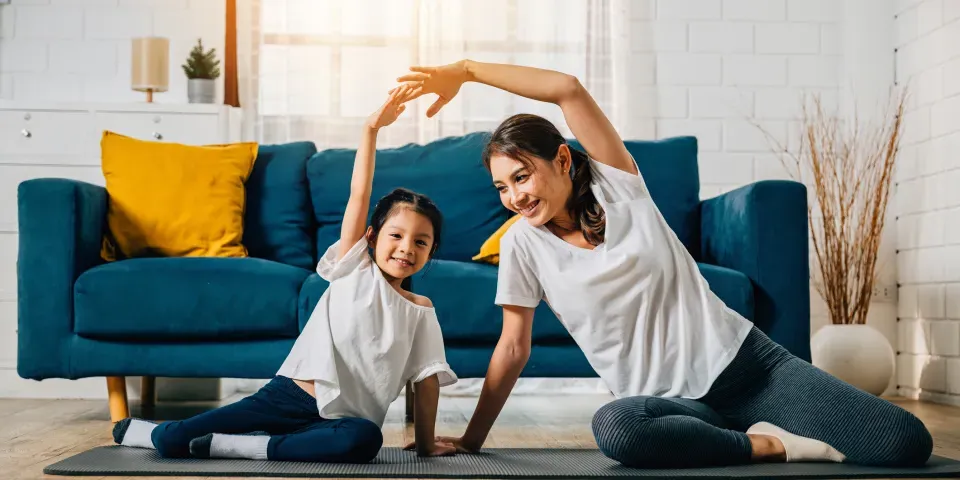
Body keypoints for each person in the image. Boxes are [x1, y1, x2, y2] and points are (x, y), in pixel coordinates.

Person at [393, 60, 934, 468]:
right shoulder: (522, 247)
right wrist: (471, 440)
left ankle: (746, 429)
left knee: (906, 443)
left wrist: (463, 70)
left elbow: (567, 89)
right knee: (618, 429)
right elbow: (513, 347)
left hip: (750, 368)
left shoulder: (617, 184)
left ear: (561, 159)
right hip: (669, 405)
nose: (513, 196)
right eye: (502, 186)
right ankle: (767, 444)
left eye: (522, 176)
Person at [111, 84, 459, 463]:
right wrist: (370, 130)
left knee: (365, 440)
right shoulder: (355, 267)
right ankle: (155, 432)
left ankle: (244, 447)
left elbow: (427, 381)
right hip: (289, 398)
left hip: (339, 424)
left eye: (421, 242)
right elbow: (359, 194)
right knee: (174, 444)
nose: (407, 248)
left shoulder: (420, 310)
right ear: (371, 238)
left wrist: (426, 446)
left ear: (431, 252)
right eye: (397, 235)